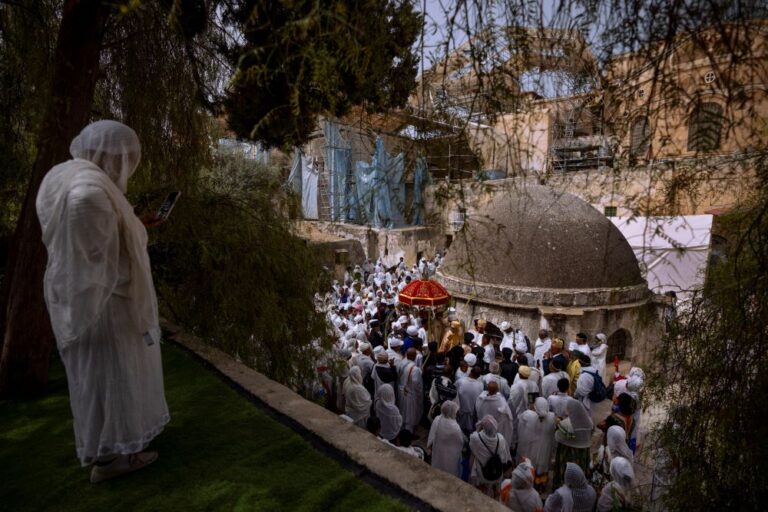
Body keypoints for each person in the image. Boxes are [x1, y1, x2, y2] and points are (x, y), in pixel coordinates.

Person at [37, 120, 169, 483]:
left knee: (99, 380)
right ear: (111, 156)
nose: (125, 165)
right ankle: (114, 459)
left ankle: (110, 449)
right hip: (104, 303)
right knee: (115, 376)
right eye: (124, 157)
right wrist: (132, 238)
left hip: (80, 300)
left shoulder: (62, 176)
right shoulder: (89, 192)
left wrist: (136, 223)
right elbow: (100, 258)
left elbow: (95, 239)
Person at [516, 397, 556, 490]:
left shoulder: (528, 415)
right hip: (545, 447)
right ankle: (539, 485)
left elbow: (520, 428)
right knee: (542, 464)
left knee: (530, 463)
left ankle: (526, 481)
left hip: (530, 446)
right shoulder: (552, 417)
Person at [553, 398, 593, 488]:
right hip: (582, 453)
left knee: (567, 472)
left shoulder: (566, 424)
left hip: (567, 453)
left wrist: (558, 424)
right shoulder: (588, 421)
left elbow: (558, 437)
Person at [469, 415, 512, 498]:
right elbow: (504, 459)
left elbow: (472, 439)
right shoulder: (501, 438)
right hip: (497, 474)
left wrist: (479, 428)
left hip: (482, 474)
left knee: (480, 497)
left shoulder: (476, 439)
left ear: (483, 427)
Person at [427, 401, 466, 478]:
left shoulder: (437, 419)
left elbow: (432, 434)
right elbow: (460, 442)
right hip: (451, 454)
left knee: (438, 465)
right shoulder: (455, 427)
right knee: (450, 471)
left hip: (438, 449)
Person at [475, 381, 515, 450]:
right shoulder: (501, 402)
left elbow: (477, 411)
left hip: (482, 428)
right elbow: (509, 418)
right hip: (495, 431)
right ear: (497, 390)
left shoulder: (480, 398)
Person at [398, 348, 423, 432]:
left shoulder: (401, 363)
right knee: (410, 415)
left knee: (403, 411)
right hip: (410, 394)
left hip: (401, 391)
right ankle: (408, 433)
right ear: (415, 356)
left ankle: (401, 429)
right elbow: (417, 385)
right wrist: (419, 395)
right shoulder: (415, 369)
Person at [456, 366, 484, 434]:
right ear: (478, 376)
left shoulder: (461, 381)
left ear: (470, 372)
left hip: (461, 410)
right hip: (471, 412)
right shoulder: (480, 385)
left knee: (459, 430)